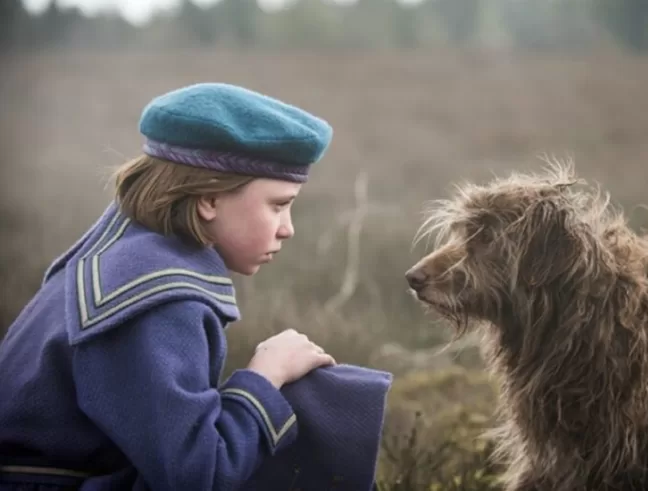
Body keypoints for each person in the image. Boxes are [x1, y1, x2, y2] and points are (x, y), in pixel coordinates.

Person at [0, 82, 392, 490]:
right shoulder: (155, 301)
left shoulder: (126, 258)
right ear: (209, 199)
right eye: (277, 205)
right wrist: (264, 377)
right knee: (323, 401)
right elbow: (198, 478)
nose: (287, 229)